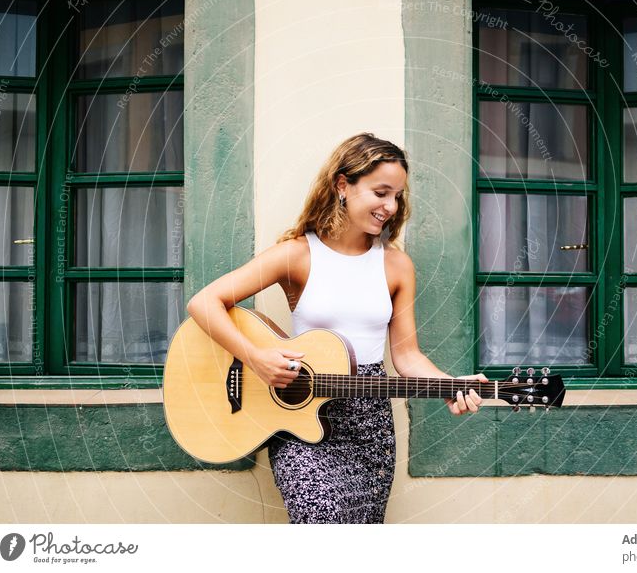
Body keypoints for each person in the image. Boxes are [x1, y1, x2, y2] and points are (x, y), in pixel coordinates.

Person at [185, 132, 488, 524]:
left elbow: (407, 356)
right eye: (381, 192)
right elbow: (204, 303)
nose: (391, 207)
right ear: (343, 185)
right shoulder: (296, 254)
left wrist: (449, 385)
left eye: (397, 196)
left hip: (369, 427)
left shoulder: (397, 266)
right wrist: (257, 358)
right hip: (300, 418)